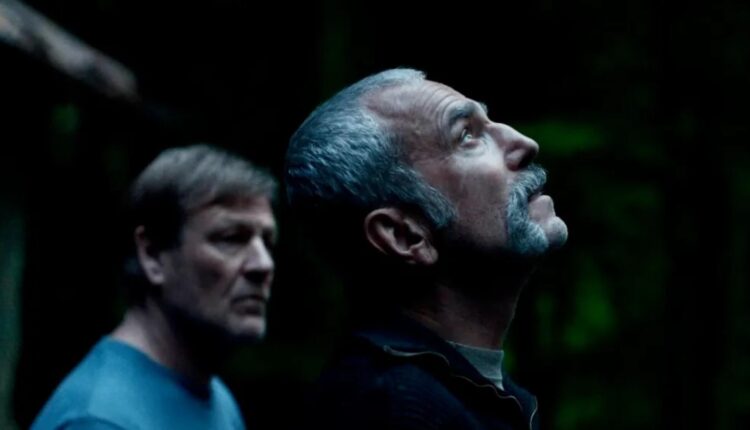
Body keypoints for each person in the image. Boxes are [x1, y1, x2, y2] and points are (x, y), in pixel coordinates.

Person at [285, 68, 568, 429]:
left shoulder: (472, 394)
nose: (525, 143)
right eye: (466, 135)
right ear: (405, 235)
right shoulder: (393, 410)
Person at [32, 144, 277, 430]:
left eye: (268, 242)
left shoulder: (216, 398)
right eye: (231, 238)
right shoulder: (99, 419)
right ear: (153, 255)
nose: (264, 264)